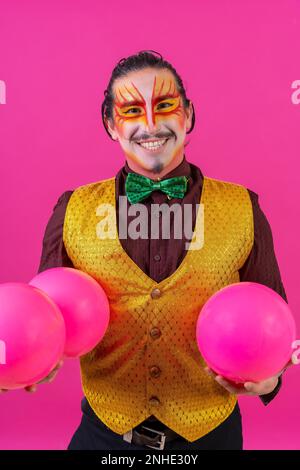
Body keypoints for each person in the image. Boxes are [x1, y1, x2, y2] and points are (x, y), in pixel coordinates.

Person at [14, 50, 292, 449]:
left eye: (165, 106)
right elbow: (42, 317)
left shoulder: (244, 208)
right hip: (104, 437)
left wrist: (271, 377)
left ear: (189, 116)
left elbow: (273, 322)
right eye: (130, 111)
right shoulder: (72, 209)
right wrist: (26, 364)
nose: (150, 124)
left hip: (211, 437)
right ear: (110, 124)